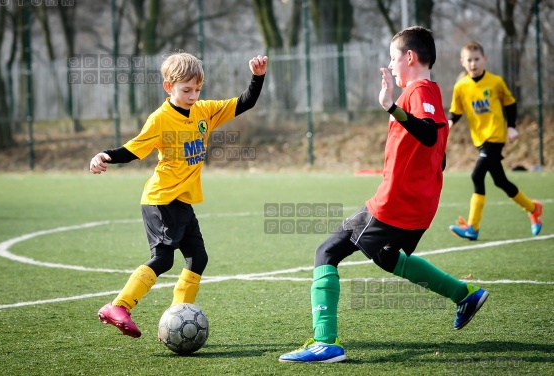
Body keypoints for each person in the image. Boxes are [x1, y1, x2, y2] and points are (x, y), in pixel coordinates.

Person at [279, 26, 488, 364]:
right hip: (418, 208)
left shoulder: (420, 90)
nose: (390, 66)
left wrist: (392, 107)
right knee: (387, 257)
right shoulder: (431, 92)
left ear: (410, 57)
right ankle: (464, 294)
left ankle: (325, 342)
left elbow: (429, 138)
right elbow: (440, 153)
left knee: (326, 252)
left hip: (395, 203)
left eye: (394, 58)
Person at [90, 52, 268, 338]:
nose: (193, 96)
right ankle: (118, 306)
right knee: (163, 259)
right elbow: (133, 149)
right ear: (168, 87)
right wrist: (105, 156)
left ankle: (175, 319)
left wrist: (257, 76)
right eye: (186, 90)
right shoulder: (160, 119)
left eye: (197, 89)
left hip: (182, 200)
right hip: (161, 199)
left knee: (198, 258)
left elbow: (245, 101)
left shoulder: (204, 111)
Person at [447, 41, 542, 240]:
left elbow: (510, 103)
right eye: (469, 60)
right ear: (462, 62)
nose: (473, 63)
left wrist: (512, 126)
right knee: (500, 181)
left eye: (476, 59)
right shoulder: (461, 87)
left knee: (477, 175)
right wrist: (448, 124)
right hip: (479, 139)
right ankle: (533, 209)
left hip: (496, 136)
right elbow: (455, 112)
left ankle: (472, 227)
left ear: (484, 59)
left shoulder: (495, 82)